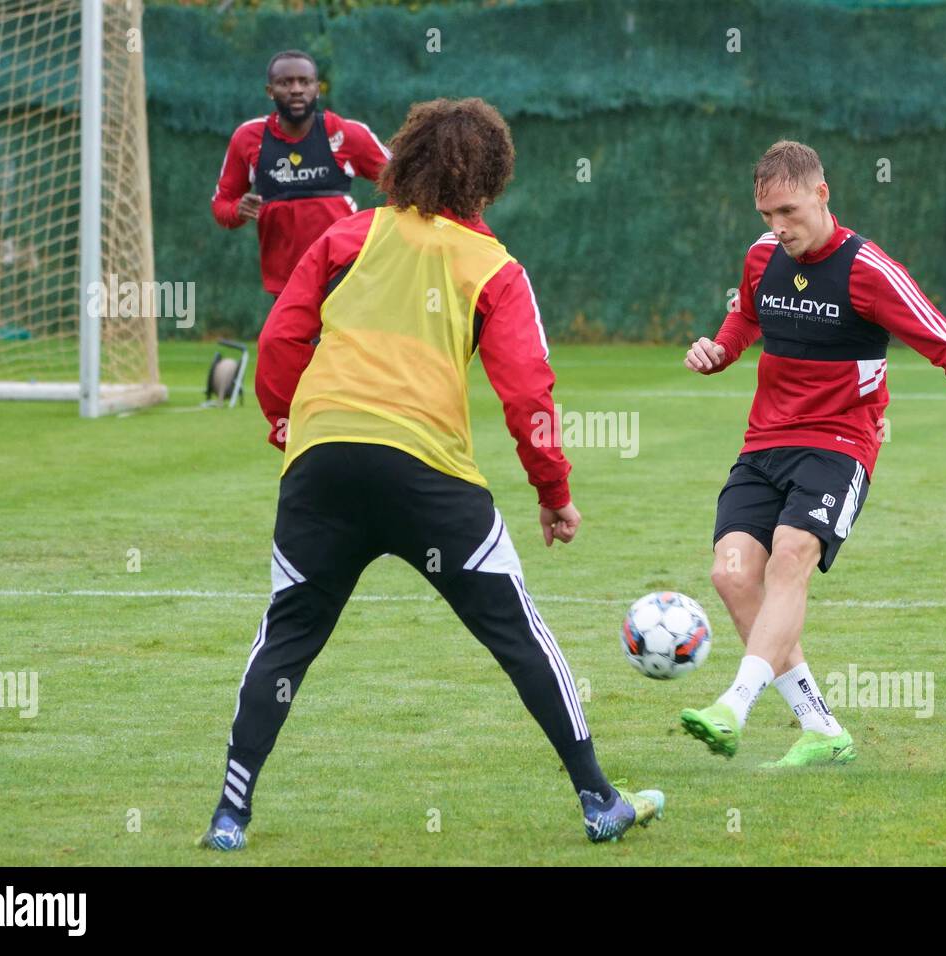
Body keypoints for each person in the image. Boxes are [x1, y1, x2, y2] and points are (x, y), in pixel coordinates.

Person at [198, 98, 663, 850]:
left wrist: (286, 420)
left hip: (321, 465)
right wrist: (554, 493)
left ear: (402, 160)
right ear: (489, 182)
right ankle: (598, 797)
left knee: (286, 639)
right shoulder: (495, 266)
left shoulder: (347, 236)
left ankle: (230, 812)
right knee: (517, 634)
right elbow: (528, 392)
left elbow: (282, 334)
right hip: (427, 476)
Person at [680, 141, 946, 767]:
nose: (778, 228)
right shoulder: (762, 257)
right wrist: (719, 350)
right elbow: (745, 320)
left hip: (839, 446)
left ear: (822, 194)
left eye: (788, 211)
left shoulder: (869, 271)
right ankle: (822, 728)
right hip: (764, 441)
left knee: (790, 556)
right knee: (731, 574)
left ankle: (733, 705)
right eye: (766, 216)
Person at [211, 50, 391, 299]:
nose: (296, 89)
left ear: (317, 88)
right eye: (285, 82)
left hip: (344, 273)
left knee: (336, 339)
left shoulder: (344, 134)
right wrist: (237, 211)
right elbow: (221, 205)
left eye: (304, 82)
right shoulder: (249, 138)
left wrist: (384, 233)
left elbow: (404, 180)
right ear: (270, 91)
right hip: (285, 283)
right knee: (281, 340)